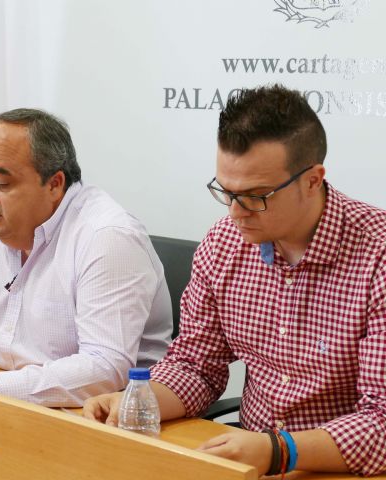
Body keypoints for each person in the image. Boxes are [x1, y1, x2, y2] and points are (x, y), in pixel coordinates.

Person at [83, 85, 386, 477]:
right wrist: (136, 401)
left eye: (257, 195)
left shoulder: (376, 254)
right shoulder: (224, 244)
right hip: (250, 458)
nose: (237, 212)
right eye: (226, 191)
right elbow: (196, 366)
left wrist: (279, 451)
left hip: (343, 469)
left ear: (313, 180)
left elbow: (381, 417)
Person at [0, 108, 173, 407]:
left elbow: (105, 366)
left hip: (106, 413)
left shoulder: (106, 237)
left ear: (54, 184)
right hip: (1, 398)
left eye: (1, 183)